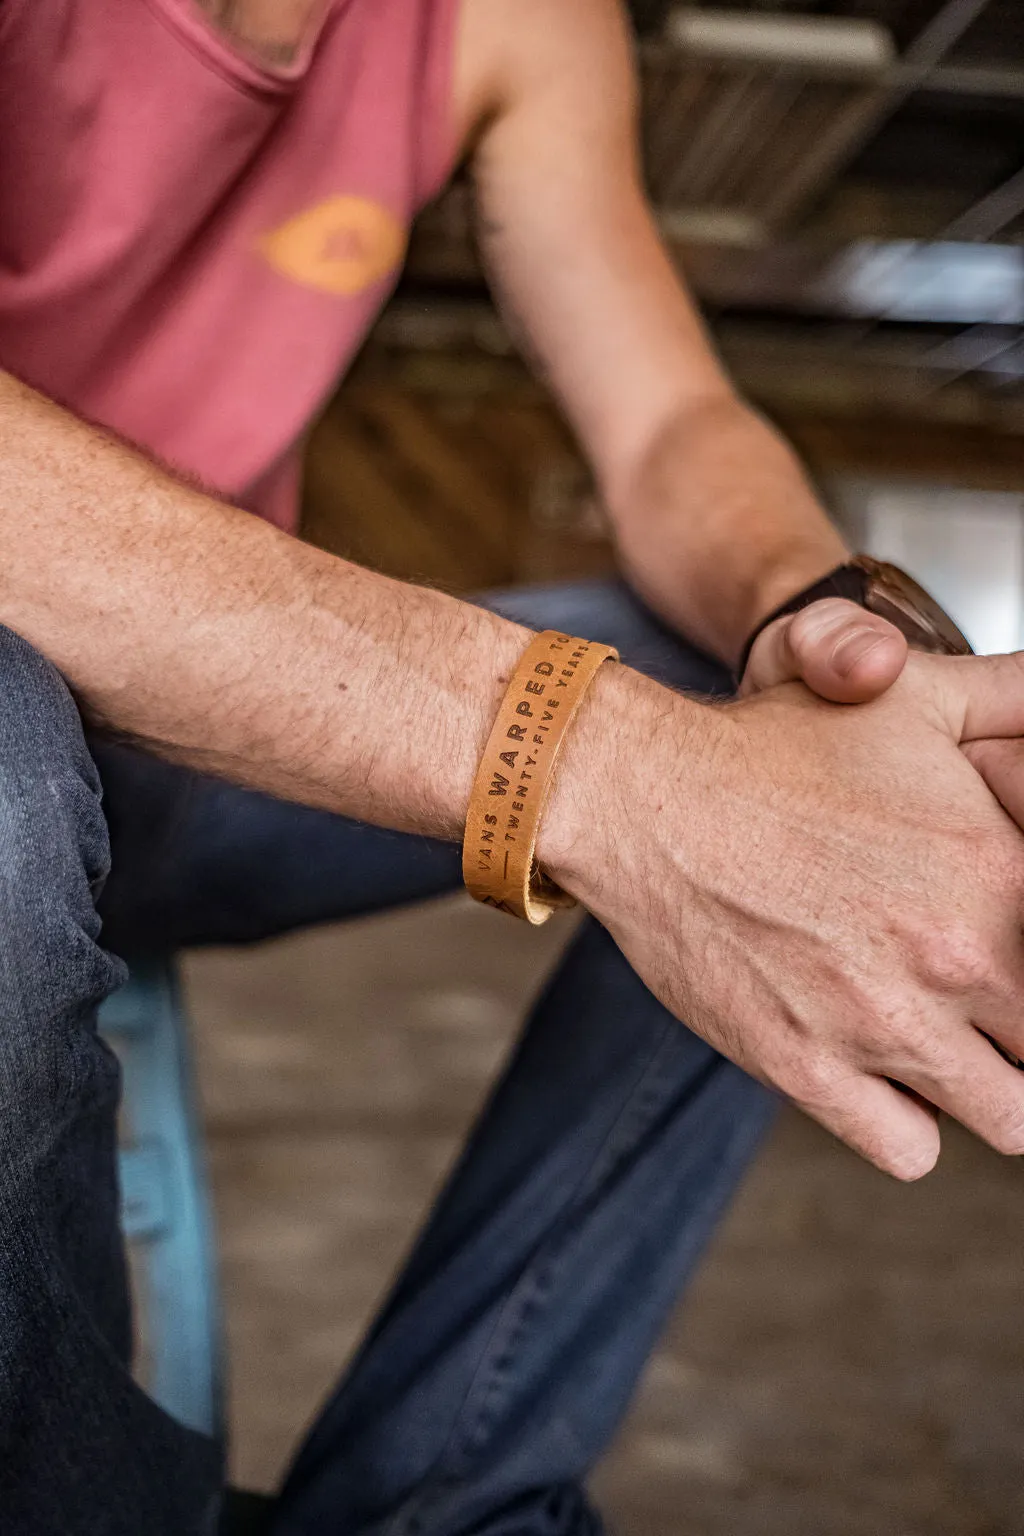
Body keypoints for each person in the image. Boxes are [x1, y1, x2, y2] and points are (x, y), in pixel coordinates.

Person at [1, 1, 1023, 1532]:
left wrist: (846, 650)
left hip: (204, 758)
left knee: (762, 712)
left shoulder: (520, 19)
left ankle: (447, 1500)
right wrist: (607, 769)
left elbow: (670, 419)